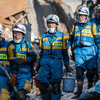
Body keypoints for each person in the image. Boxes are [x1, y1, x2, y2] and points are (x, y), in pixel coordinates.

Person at [68, 6, 100, 96]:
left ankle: (89, 89)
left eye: (82, 15)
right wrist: (69, 48)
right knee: (79, 71)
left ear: (86, 16)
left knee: (90, 72)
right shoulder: (75, 26)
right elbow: (70, 38)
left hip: (90, 51)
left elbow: (97, 39)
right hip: (78, 51)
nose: (80, 17)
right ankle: (79, 90)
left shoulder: (92, 25)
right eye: (79, 15)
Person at [37, 14, 69, 100]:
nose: (51, 25)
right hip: (45, 63)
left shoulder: (62, 37)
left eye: (53, 23)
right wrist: (38, 64)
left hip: (56, 64)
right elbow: (41, 52)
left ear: (57, 24)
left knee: (55, 87)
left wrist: (67, 64)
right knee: (43, 86)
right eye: (49, 23)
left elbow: (65, 53)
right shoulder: (43, 36)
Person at [9, 23, 37, 100]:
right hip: (11, 75)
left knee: (21, 96)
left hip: (25, 74)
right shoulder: (9, 45)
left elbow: (33, 57)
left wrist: (26, 59)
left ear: (23, 34)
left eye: (19, 34)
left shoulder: (28, 45)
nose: (17, 36)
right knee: (12, 97)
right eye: (15, 33)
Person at [0, 24, 18, 100]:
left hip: (4, 76)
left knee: (3, 96)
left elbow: (14, 62)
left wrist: (14, 76)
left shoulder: (9, 46)